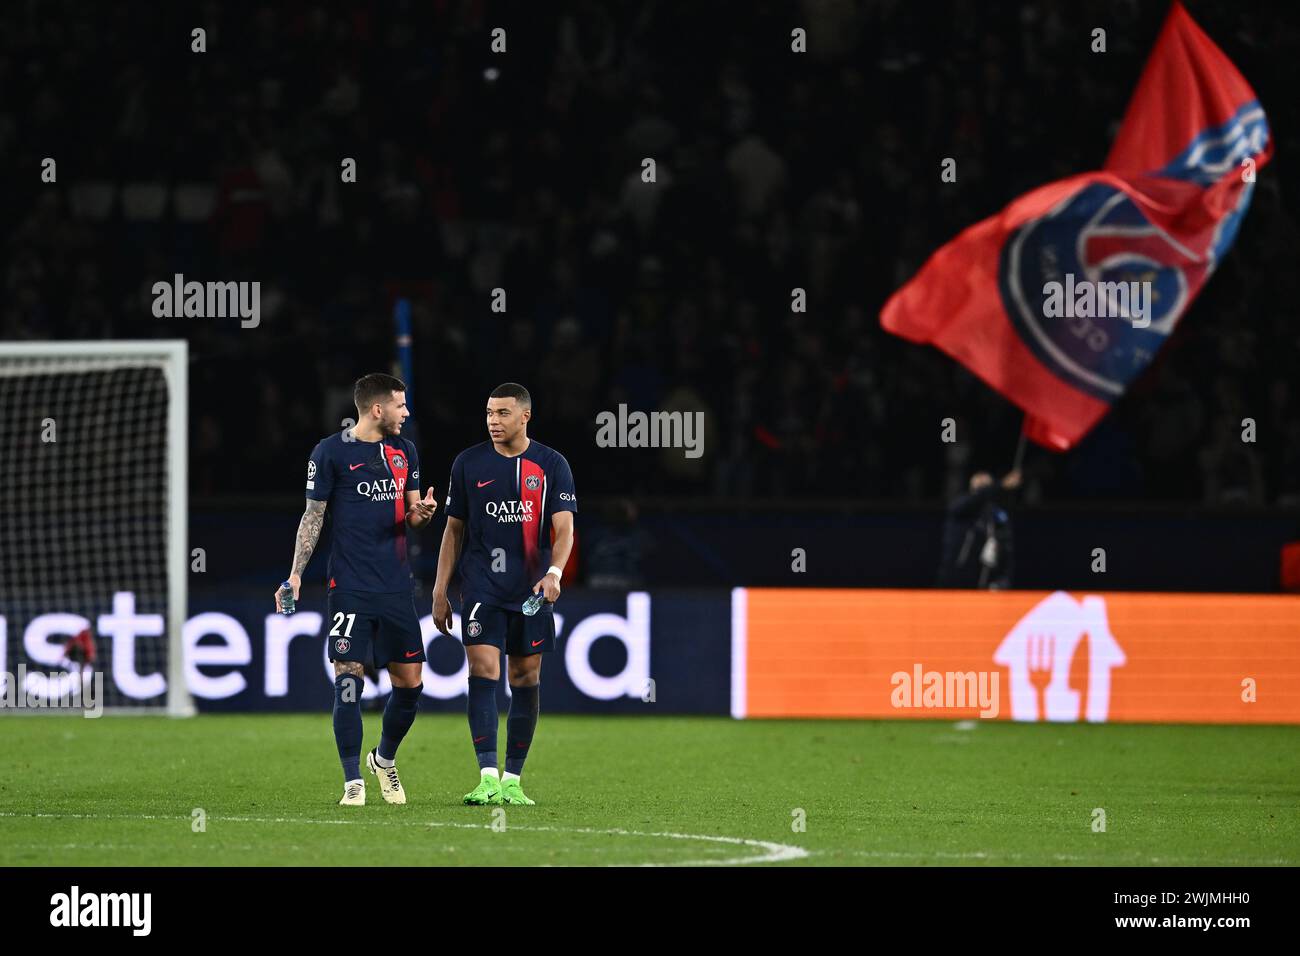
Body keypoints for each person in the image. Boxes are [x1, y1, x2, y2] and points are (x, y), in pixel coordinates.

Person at [275, 373, 438, 806]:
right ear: (378, 409)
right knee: (348, 681)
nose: (407, 413)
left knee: (410, 685)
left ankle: (384, 759)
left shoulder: (406, 452)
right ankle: (353, 781)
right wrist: (295, 574)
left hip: (395, 587)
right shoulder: (330, 453)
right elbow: (312, 518)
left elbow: (412, 515)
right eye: (401, 406)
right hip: (348, 586)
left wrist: (421, 513)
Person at [432, 383, 577, 806]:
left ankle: (513, 780)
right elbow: (453, 529)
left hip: (531, 590)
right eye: (489, 413)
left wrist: (554, 572)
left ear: (525, 416)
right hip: (481, 587)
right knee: (482, 669)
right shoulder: (468, 463)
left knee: (525, 676)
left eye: (502, 414)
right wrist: (441, 589)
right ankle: (488, 776)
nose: (493, 421)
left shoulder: (551, 464)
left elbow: (564, 528)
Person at [937, 469, 1020, 590]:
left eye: (986, 485)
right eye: (979, 485)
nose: (982, 487)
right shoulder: (960, 506)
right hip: (955, 582)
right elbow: (977, 498)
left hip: (984, 584)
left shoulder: (997, 516)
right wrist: (1001, 485)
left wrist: (1002, 581)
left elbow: (1006, 553)